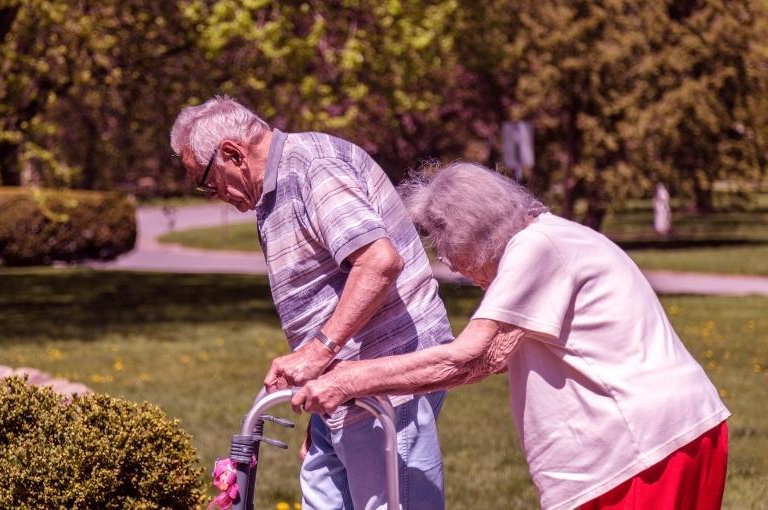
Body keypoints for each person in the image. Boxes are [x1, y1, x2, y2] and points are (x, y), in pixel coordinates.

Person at [293, 163, 731, 510]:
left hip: (640, 449)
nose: (452, 266)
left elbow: (468, 357)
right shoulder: (552, 239)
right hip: (663, 439)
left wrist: (348, 380)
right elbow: (484, 362)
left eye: (447, 248)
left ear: (471, 231)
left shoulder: (535, 246)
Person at [170, 96, 453, 509]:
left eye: (207, 181)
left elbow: (378, 261)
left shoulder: (311, 168)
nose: (212, 194)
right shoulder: (275, 187)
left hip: (386, 379)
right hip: (338, 386)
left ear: (232, 153)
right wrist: (320, 390)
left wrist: (319, 353)